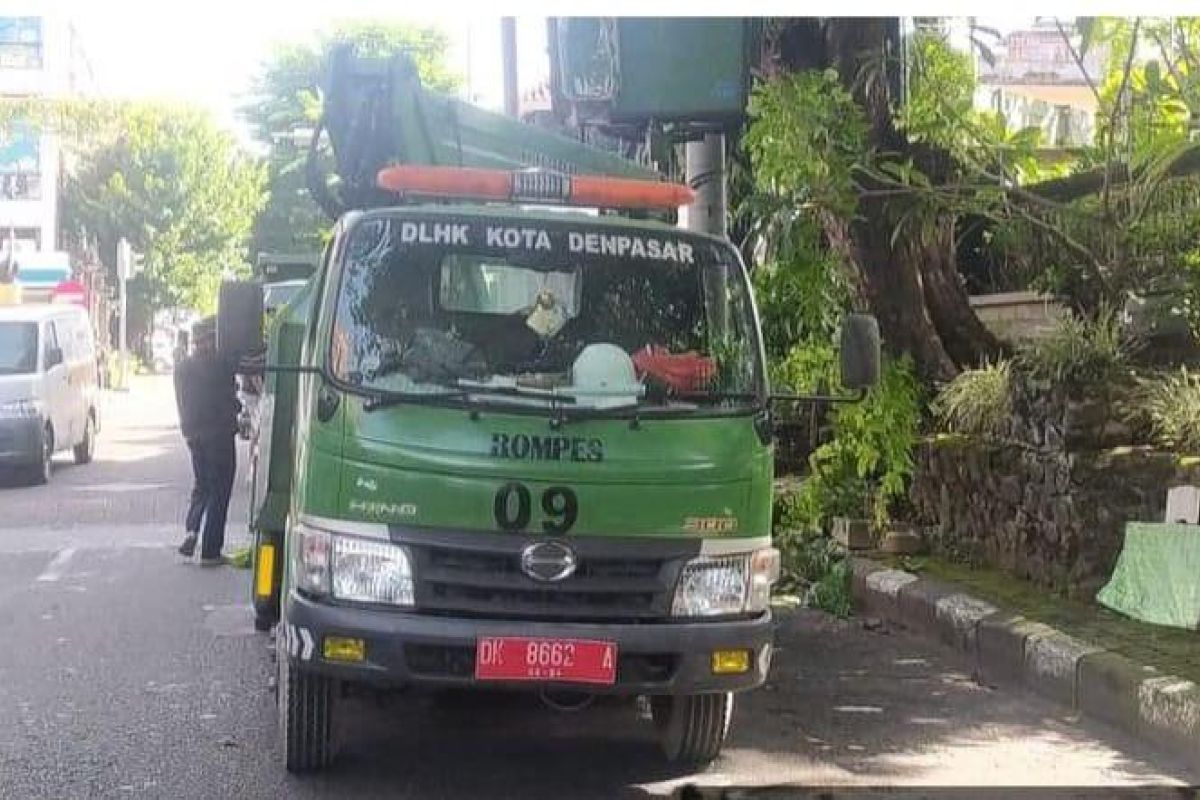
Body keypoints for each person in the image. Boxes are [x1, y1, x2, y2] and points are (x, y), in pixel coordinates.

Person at [174, 316, 240, 566]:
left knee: (201, 486)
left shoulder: (183, 367)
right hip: (219, 435)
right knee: (220, 490)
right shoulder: (220, 364)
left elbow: (182, 401)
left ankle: (192, 529)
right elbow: (227, 397)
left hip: (194, 435)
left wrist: (188, 431)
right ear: (212, 339)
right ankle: (211, 551)